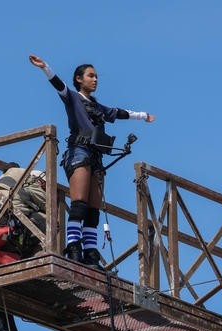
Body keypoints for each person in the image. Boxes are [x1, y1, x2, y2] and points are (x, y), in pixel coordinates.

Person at [29, 54, 155, 267]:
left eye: (96, 76)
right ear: (79, 79)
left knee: (94, 209)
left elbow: (119, 113)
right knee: (79, 204)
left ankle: (90, 251)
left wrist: (143, 115)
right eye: (91, 76)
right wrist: (45, 67)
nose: (95, 79)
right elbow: (58, 85)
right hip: (79, 152)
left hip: (96, 157)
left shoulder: (97, 106)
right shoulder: (73, 98)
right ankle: (73, 247)